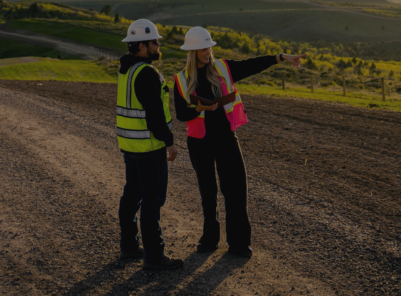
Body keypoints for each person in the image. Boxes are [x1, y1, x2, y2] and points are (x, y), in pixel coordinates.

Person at [173, 26, 303, 258]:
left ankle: (239, 243)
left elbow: (251, 65)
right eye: (203, 49)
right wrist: (199, 108)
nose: (207, 52)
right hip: (199, 142)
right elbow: (181, 114)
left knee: (235, 190)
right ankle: (210, 239)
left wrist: (281, 57)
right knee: (208, 191)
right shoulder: (181, 79)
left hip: (225, 139)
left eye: (209, 47)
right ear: (192, 52)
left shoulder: (222, 67)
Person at [116, 19, 183, 271]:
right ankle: (154, 257)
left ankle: (129, 247)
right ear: (142, 46)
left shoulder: (126, 69)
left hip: (130, 146)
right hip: (149, 147)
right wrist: (170, 143)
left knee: (131, 196)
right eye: (155, 42)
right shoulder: (146, 73)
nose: (158, 46)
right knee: (151, 202)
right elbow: (154, 114)